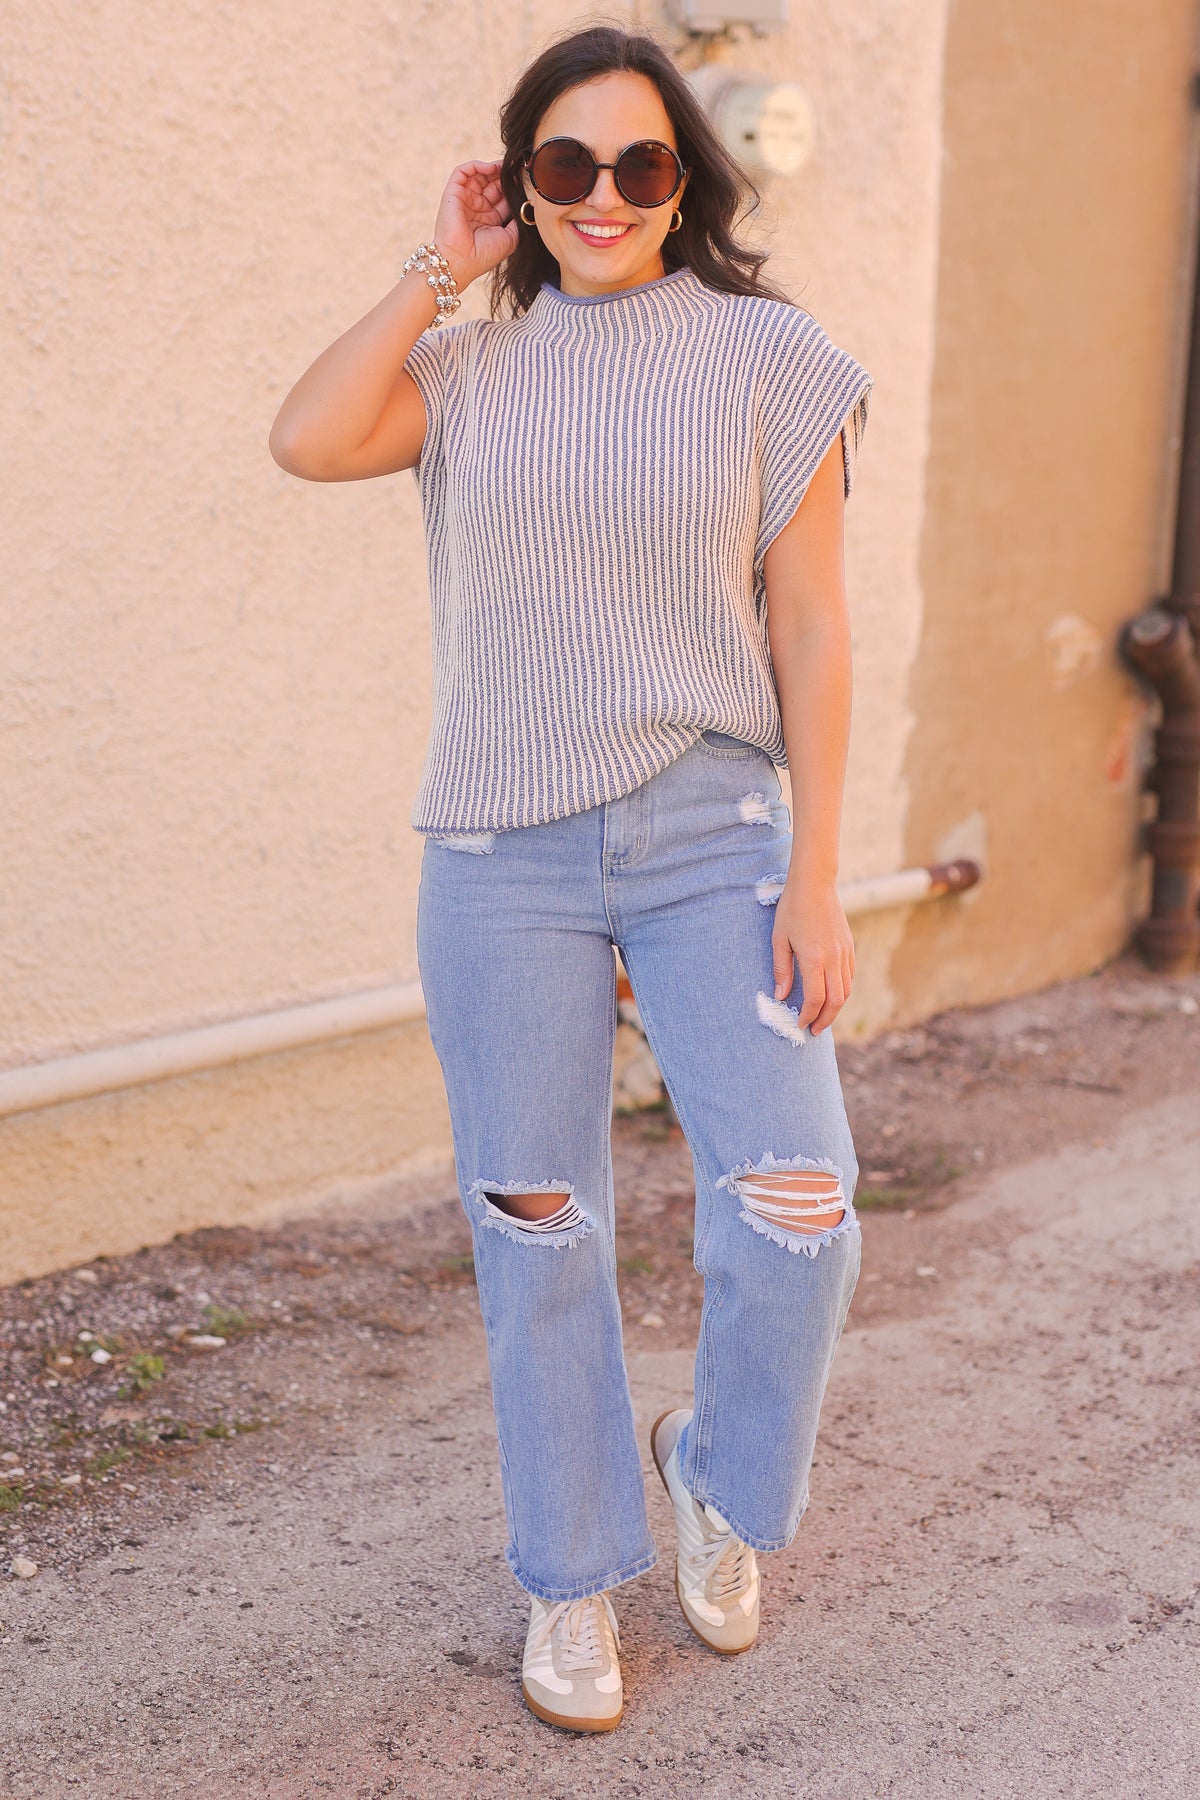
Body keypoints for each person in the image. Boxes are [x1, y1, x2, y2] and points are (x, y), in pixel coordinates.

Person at [270, 21, 872, 1737]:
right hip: (503, 851)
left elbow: (812, 626)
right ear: (519, 183)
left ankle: (718, 1480)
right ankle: (570, 1576)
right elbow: (306, 437)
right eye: (564, 164)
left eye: (640, 164)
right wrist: (435, 270)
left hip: (713, 836)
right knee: (536, 1226)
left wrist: (819, 875)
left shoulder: (771, 356)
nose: (603, 195)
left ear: (685, 182)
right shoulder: (466, 372)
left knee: (802, 1203)